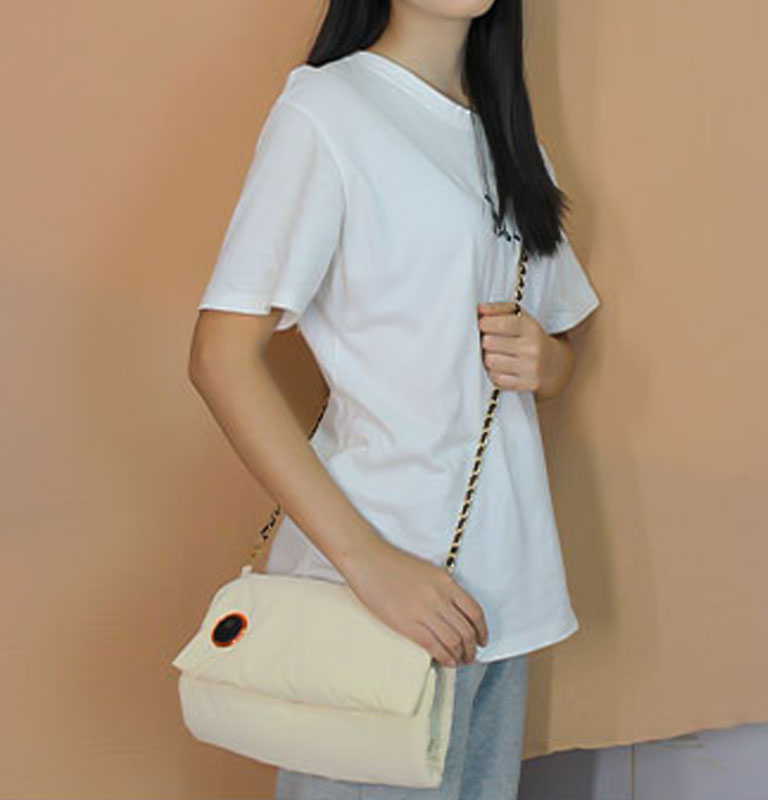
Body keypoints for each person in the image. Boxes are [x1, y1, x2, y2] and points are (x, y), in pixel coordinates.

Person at [188, 1, 601, 798]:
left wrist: (550, 364)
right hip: (377, 597)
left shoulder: (511, 144)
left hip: (500, 598)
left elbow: (554, 337)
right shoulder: (329, 109)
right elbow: (219, 357)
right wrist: (368, 564)